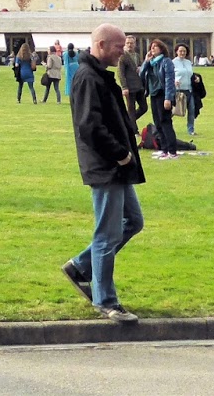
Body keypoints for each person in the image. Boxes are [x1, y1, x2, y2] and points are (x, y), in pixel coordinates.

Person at [62, 23, 144, 325]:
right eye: (118, 46)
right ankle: (107, 302)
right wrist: (120, 154)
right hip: (107, 167)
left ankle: (79, 266)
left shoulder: (99, 75)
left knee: (133, 222)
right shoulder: (87, 77)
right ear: (100, 44)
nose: (123, 51)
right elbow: (89, 126)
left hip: (118, 166)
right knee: (106, 235)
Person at [141, 40, 179, 159]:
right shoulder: (151, 63)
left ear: (161, 49)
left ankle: (172, 151)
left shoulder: (166, 62)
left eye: (155, 47)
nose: (153, 49)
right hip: (153, 95)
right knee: (157, 123)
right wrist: (146, 62)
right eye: (151, 47)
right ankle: (164, 149)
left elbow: (169, 80)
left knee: (165, 122)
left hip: (163, 94)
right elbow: (141, 74)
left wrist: (168, 98)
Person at [117, 36, 147, 123]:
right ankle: (134, 130)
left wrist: (141, 67)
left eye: (131, 43)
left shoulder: (137, 56)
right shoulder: (122, 57)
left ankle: (127, 122)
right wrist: (124, 87)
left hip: (139, 86)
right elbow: (120, 73)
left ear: (135, 44)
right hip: (129, 88)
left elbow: (141, 68)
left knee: (144, 108)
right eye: (127, 43)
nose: (129, 45)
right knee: (131, 109)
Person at [171, 44, 195, 137]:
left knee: (192, 110)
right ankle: (163, 126)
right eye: (180, 51)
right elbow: (169, 75)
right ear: (176, 51)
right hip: (178, 90)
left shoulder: (188, 62)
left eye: (184, 51)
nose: (182, 53)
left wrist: (195, 79)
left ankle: (191, 129)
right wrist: (174, 81)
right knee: (175, 110)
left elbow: (190, 74)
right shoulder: (173, 62)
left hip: (189, 89)